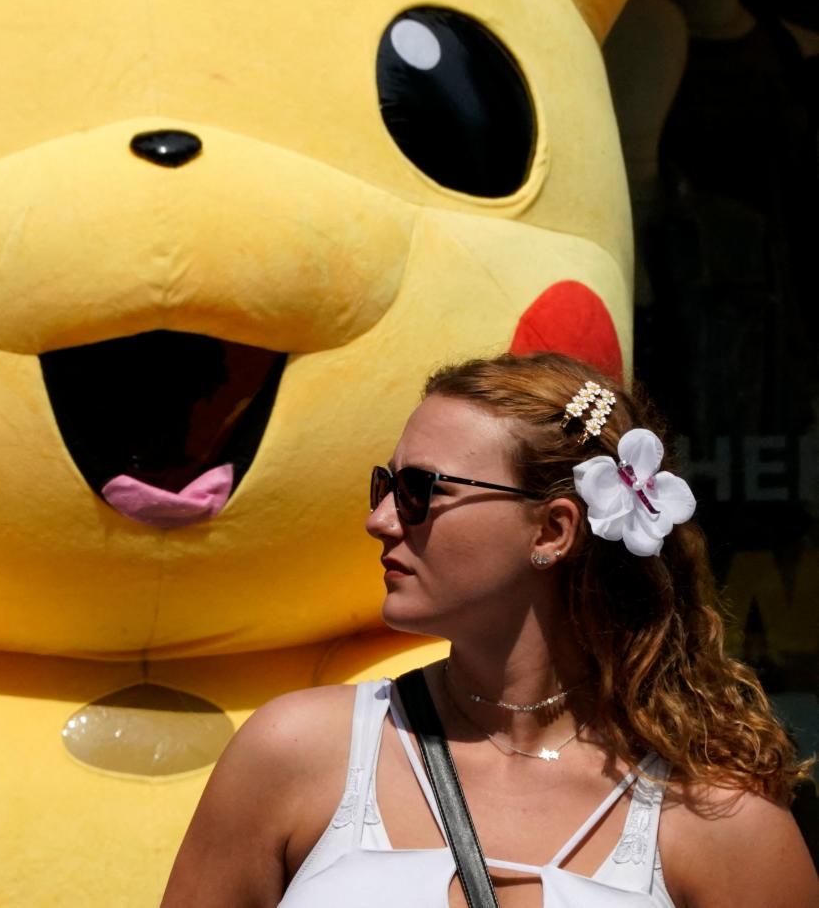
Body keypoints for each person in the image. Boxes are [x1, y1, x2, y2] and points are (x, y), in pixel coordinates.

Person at [162, 351, 818, 907]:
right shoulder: (296, 754)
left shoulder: (717, 821)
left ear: (552, 530)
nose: (382, 519)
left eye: (420, 490)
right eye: (384, 485)